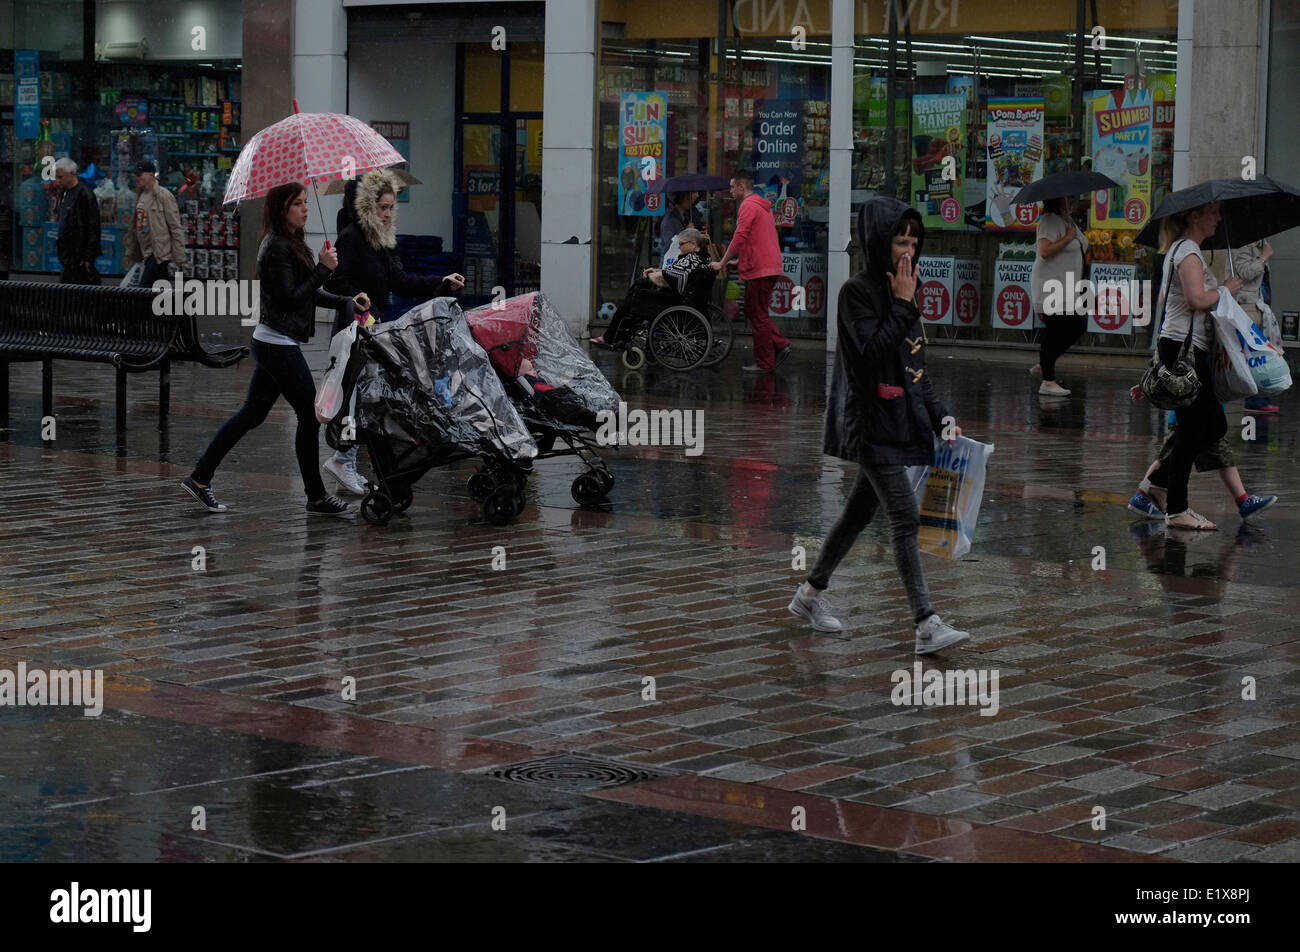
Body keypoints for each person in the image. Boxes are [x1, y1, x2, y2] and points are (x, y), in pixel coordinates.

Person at [788, 196, 971, 655]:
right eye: (899, 241)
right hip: (870, 422)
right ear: (878, 243)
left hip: (899, 420)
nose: (907, 252)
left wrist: (941, 415)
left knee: (858, 513)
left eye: (914, 242)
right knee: (905, 517)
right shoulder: (857, 292)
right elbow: (871, 352)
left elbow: (915, 368)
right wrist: (904, 305)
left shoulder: (906, 290)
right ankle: (926, 622)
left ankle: (810, 594)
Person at [181, 182, 370, 517]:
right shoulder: (276, 247)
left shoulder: (291, 243)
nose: (305, 209)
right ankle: (316, 496)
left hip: (274, 342)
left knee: (251, 415)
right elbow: (289, 298)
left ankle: (199, 478)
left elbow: (306, 293)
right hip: (276, 344)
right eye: (297, 204)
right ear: (282, 209)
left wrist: (345, 300)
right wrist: (323, 270)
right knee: (310, 417)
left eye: (305, 203)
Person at [323, 169, 465, 493]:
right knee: (358, 400)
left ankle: (355, 463)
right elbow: (335, 285)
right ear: (366, 207)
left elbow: (400, 281)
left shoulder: (381, 241)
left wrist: (441, 283)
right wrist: (356, 299)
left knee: (370, 401)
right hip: (354, 335)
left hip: (375, 333)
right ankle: (343, 461)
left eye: (391, 207)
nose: (388, 214)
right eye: (382, 208)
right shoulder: (351, 240)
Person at [1128, 201, 1241, 530]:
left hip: (1180, 348)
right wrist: (1225, 290)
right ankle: (1177, 509)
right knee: (1198, 429)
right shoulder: (1188, 250)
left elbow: (1168, 302)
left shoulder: (1180, 250)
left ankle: (1155, 485)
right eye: (1214, 212)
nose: (1219, 218)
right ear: (1194, 215)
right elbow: (1195, 299)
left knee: (1209, 426)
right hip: (1185, 352)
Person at [1128, 409, 1277, 521]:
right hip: (1190, 416)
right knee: (1169, 458)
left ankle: (1243, 501)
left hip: (1209, 416)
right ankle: (1142, 496)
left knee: (1222, 455)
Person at [711, 173, 791, 372]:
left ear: (740, 187)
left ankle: (767, 361)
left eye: (731, 187)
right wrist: (740, 260)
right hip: (767, 265)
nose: (730, 191)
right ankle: (779, 344)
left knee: (758, 314)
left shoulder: (747, 206)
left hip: (760, 270)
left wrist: (722, 261)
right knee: (754, 310)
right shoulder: (762, 206)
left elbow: (740, 237)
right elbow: (759, 239)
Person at [592, 227, 711, 348]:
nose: (679, 247)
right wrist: (657, 271)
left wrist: (651, 275)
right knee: (636, 294)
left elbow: (670, 277)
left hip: (676, 300)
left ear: (693, 244)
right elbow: (675, 273)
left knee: (635, 296)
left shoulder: (691, 259)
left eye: (681, 244)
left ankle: (610, 337)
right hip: (687, 298)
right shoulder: (703, 258)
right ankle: (615, 336)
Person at [1029, 195, 1090, 396]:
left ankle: (1046, 363)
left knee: (1078, 325)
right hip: (1051, 286)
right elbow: (1044, 251)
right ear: (1058, 200)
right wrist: (1068, 238)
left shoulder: (1067, 220)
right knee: (1058, 328)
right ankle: (1047, 381)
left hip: (1068, 286)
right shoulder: (1049, 220)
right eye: (1067, 198)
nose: (1071, 200)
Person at [122, 160, 187, 288]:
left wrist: (180, 258)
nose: (137, 177)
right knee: (158, 293)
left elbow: (175, 227)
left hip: (158, 255)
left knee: (144, 291)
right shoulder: (140, 195)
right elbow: (135, 228)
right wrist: (131, 252)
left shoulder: (163, 196)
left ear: (151, 174)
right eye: (136, 174)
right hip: (145, 254)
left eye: (140, 174)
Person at [1232, 240, 1279, 413]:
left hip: (1260, 306)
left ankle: (1259, 399)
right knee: (1255, 355)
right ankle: (1255, 401)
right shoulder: (1246, 245)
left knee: (1261, 354)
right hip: (1248, 307)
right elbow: (1244, 272)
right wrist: (1264, 257)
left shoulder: (1261, 243)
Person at [53, 158, 101, 285]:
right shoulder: (64, 193)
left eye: (60, 177)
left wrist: (88, 256)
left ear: (72, 174)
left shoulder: (85, 194)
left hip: (79, 255)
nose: (57, 181)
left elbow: (93, 227)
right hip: (69, 255)